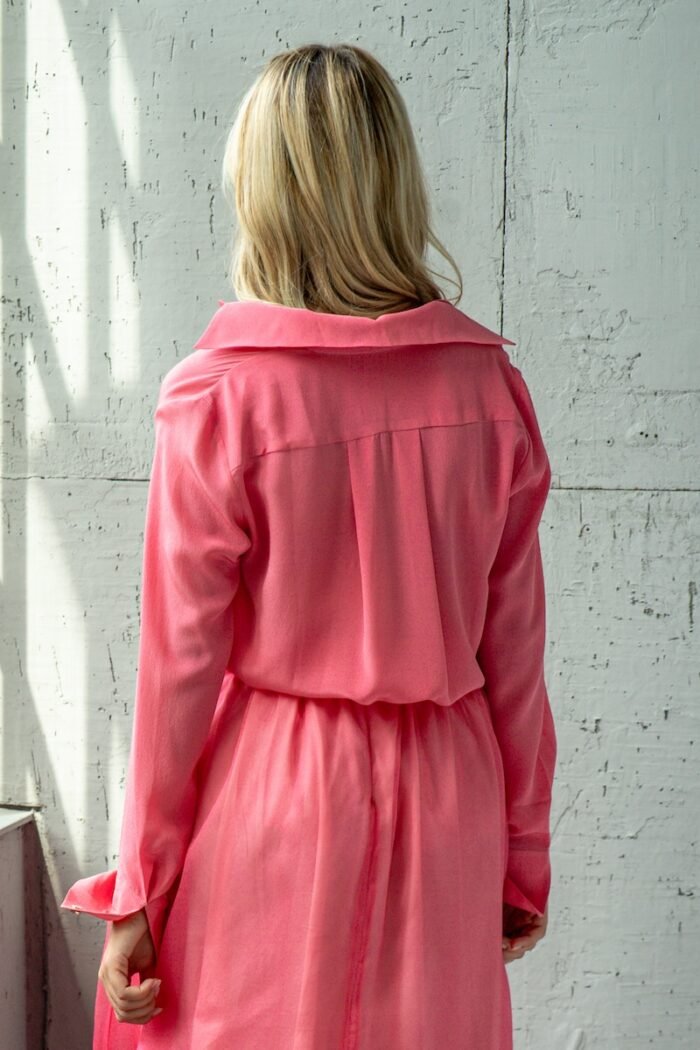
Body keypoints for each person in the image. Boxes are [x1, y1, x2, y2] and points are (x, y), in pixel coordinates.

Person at [61, 42, 557, 1050]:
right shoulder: (488, 394)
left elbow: (177, 674)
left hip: (277, 796)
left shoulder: (219, 398)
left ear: (264, 191)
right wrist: (518, 852)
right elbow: (515, 658)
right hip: (450, 800)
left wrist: (140, 889)